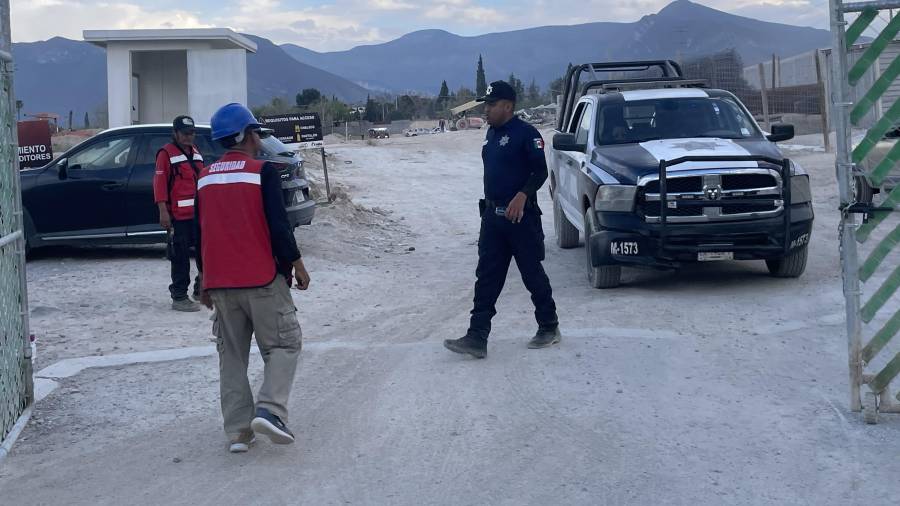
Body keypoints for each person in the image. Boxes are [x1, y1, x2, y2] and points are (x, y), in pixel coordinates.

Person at [195, 103, 311, 453]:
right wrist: (298, 264)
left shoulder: (204, 177)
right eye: (257, 132)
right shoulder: (262, 172)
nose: (260, 138)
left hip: (221, 283)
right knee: (284, 345)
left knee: (231, 355)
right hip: (261, 280)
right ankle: (271, 411)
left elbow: (199, 234)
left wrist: (203, 279)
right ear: (245, 134)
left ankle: (238, 431)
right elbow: (279, 226)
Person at [444, 81, 560, 359]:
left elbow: (540, 171)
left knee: (532, 274)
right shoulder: (491, 135)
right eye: (486, 104)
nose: (486, 109)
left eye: (491, 104)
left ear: (508, 106)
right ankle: (477, 336)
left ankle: (549, 327)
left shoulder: (526, 133)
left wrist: (522, 195)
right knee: (486, 277)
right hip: (492, 219)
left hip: (521, 219)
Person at [153, 116, 205, 312]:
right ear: (175, 133)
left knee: (204, 254)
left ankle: (201, 290)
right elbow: (159, 186)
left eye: (192, 133)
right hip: (178, 216)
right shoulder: (166, 154)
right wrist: (163, 212)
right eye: (185, 133)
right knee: (180, 258)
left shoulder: (196, 152)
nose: (189, 137)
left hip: (198, 215)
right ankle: (179, 296)